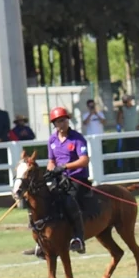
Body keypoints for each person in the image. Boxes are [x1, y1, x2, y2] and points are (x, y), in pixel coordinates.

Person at [46, 106, 91, 254]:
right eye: (58, 121)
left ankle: (78, 238)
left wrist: (64, 166)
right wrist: (51, 170)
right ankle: (43, 241)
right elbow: (51, 160)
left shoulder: (77, 138)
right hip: (60, 178)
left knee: (70, 201)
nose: (62, 124)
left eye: (64, 120)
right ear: (54, 124)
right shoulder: (52, 140)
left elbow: (84, 160)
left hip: (77, 178)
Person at [115, 94, 139, 172]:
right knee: (129, 153)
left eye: (126, 101)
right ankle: (132, 169)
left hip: (136, 133)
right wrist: (120, 113)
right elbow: (119, 122)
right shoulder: (123, 110)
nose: (126, 103)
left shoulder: (138, 108)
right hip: (127, 134)